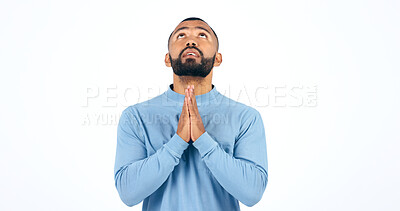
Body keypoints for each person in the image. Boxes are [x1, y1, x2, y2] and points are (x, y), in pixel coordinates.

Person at [114, 17, 268, 211]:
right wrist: (178, 141)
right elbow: (128, 193)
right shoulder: (135, 117)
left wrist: (203, 139)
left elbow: (252, 193)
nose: (191, 41)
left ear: (218, 59)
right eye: (181, 35)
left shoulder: (246, 117)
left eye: (202, 35)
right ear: (168, 58)